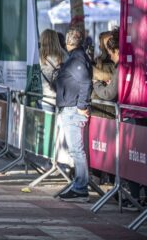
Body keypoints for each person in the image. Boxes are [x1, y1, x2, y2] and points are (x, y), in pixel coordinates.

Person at [55, 28, 93, 202]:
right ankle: (79, 185)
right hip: (70, 107)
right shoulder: (76, 58)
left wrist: (81, 106)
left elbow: (85, 81)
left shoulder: (77, 58)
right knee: (76, 150)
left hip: (72, 110)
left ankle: (80, 187)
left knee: (77, 150)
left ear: (68, 42)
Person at [39, 29, 66, 113]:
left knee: (48, 125)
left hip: (47, 99)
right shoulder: (64, 55)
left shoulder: (40, 57)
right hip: (62, 99)